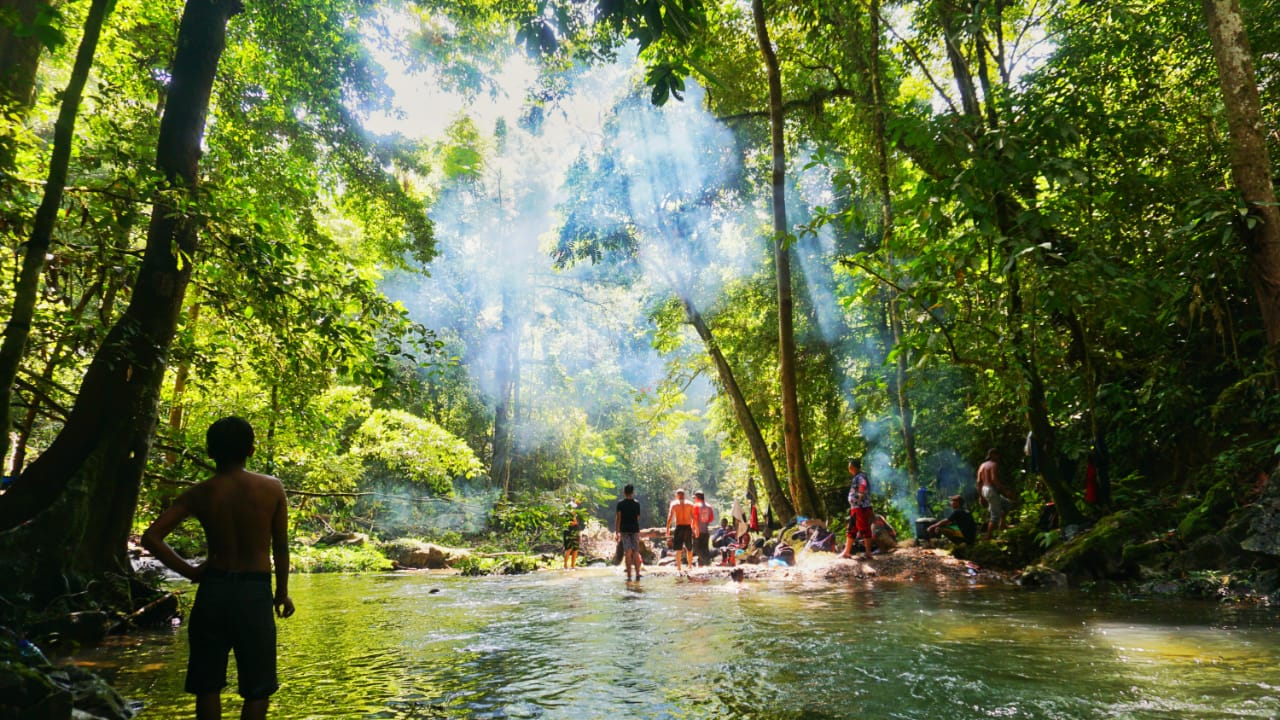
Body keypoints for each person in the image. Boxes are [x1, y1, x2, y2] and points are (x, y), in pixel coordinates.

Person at [141, 417, 295, 720]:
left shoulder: (200, 493)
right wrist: (282, 593)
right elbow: (281, 545)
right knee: (258, 687)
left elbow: (152, 537)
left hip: (214, 591)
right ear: (251, 450)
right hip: (254, 592)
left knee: (207, 685)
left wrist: (192, 572)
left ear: (210, 451)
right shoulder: (271, 487)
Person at [840, 457, 875, 561]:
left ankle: (868, 553)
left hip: (861, 507)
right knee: (851, 529)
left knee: (864, 529)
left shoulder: (860, 477)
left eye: (849, 466)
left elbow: (863, 485)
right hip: (855, 508)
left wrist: (860, 494)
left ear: (852, 467)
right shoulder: (857, 476)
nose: (848, 468)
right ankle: (846, 552)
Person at [976, 448, 1011, 539]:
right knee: (995, 515)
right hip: (990, 490)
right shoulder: (994, 465)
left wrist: (981, 496)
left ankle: (1002, 525)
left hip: (985, 489)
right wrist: (1004, 490)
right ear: (992, 455)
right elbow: (994, 479)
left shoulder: (982, 465)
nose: (998, 457)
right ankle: (988, 536)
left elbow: (979, 482)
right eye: (997, 455)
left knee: (1007, 504)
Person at [665, 488, 698, 573]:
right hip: (687, 527)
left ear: (677, 495)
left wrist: (667, 529)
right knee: (689, 548)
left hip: (679, 527)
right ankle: (690, 566)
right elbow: (694, 518)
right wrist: (695, 528)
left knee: (678, 549)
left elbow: (670, 517)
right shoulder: (690, 504)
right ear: (684, 495)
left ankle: (679, 568)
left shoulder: (674, 504)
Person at [615, 484, 642, 581]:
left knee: (628, 552)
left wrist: (617, 532)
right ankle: (638, 574)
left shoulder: (620, 504)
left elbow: (618, 518)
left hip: (624, 530)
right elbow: (638, 517)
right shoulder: (637, 503)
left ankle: (629, 575)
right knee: (636, 551)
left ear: (624, 492)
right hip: (635, 529)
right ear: (633, 492)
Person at [692, 491, 715, 566]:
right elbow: (711, 519)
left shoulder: (696, 506)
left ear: (697, 497)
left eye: (695, 498)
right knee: (704, 549)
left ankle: (707, 562)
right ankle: (701, 566)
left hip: (698, 531)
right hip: (706, 531)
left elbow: (694, 519)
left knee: (696, 549)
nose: (694, 499)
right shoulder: (709, 506)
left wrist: (693, 529)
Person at [563, 500, 583, 569]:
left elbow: (576, 523)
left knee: (575, 548)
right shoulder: (567, 513)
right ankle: (565, 565)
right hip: (568, 530)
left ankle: (573, 566)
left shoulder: (576, 512)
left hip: (575, 530)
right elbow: (572, 523)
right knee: (569, 548)